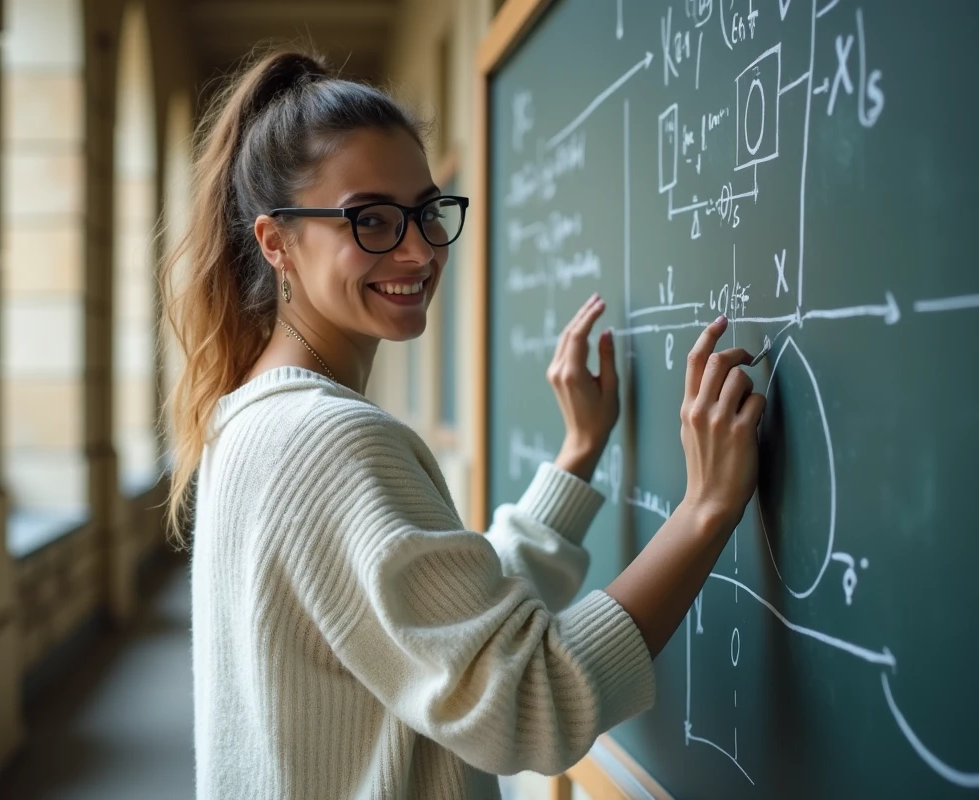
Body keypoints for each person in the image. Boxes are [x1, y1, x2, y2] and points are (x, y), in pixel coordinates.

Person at [161, 50, 766, 800]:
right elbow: (526, 702)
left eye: (426, 211)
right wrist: (704, 512)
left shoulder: (250, 418)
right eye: (371, 220)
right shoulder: (330, 441)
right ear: (276, 241)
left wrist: (578, 457)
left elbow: (443, 642)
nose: (417, 249)